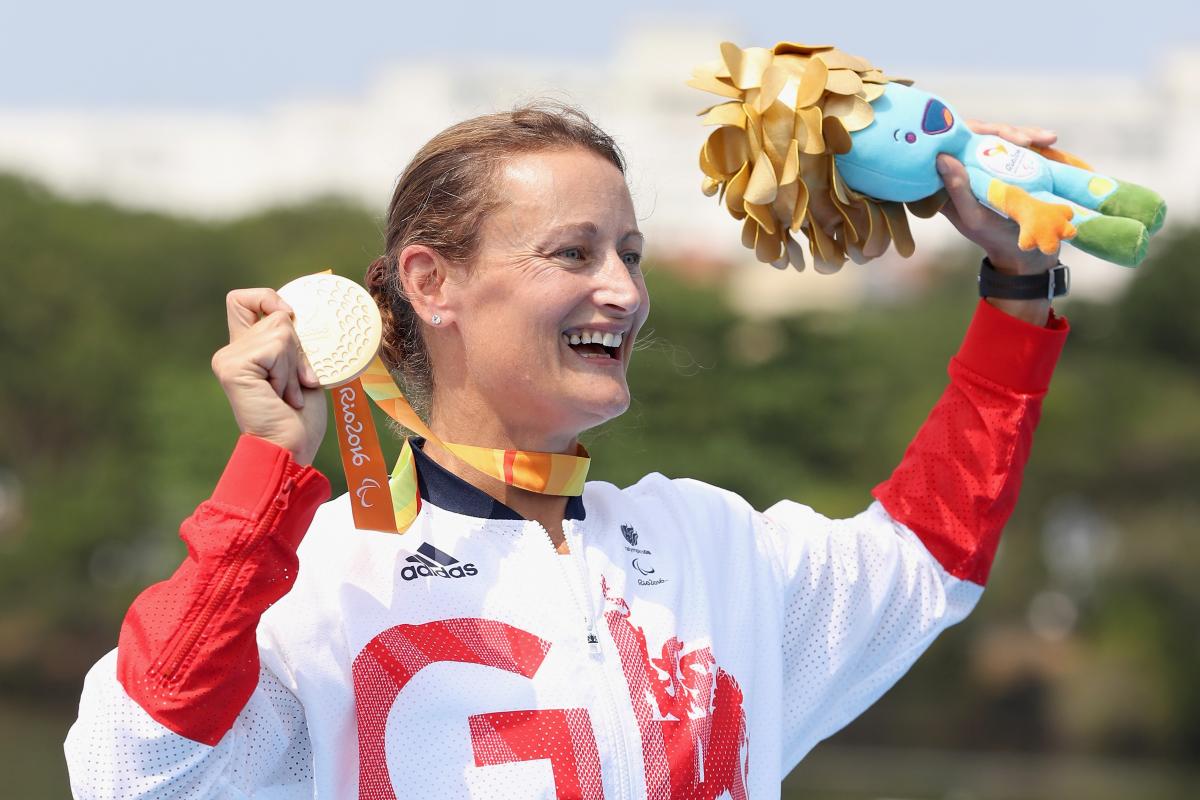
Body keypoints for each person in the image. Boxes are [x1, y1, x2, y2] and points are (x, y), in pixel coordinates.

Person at [65, 103, 1069, 799]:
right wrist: (269, 472)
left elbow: (930, 551)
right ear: (432, 281)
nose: (625, 293)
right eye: (572, 253)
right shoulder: (321, 576)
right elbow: (131, 765)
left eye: (629, 255)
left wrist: (1020, 284)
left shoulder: (709, 540)